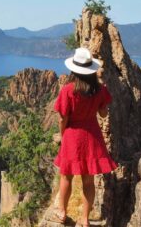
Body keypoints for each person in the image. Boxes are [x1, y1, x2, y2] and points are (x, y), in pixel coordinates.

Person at [51, 47, 117, 227]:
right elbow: (103, 115)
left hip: (73, 136)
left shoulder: (68, 90)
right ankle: (85, 219)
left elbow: (63, 118)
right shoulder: (101, 90)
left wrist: (64, 135)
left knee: (66, 177)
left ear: (74, 69)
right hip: (92, 136)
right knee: (88, 182)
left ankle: (62, 212)